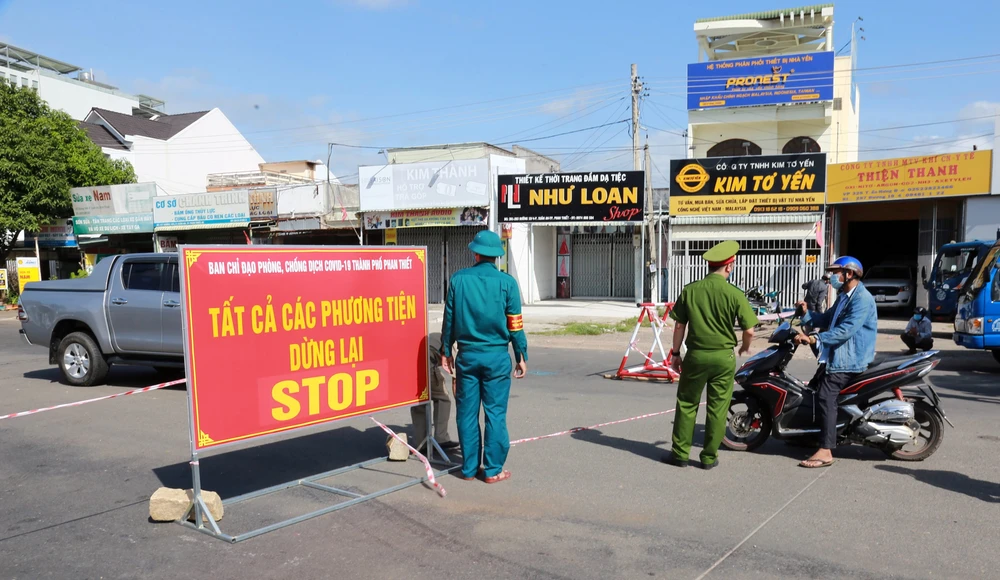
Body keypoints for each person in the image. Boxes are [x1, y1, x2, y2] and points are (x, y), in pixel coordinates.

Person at [441, 230, 528, 483]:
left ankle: (469, 469)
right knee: (495, 414)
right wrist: (521, 354)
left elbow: (449, 320)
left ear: (476, 254)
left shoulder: (458, 280)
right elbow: (515, 325)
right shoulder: (507, 283)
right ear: (497, 256)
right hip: (496, 358)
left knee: (466, 414)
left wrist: (446, 351)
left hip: (467, 357)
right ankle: (492, 470)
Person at [665, 240, 758, 470]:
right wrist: (744, 347)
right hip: (723, 358)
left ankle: (680, 455)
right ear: (729, 266)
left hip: (696, 356)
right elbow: (749, 330)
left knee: (687, 404)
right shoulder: (734, 293)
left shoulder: (690, 290)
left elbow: (679, 326)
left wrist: (675, 353)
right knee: (717, 408)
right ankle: (708, 458)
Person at [794, 256, 877, 468]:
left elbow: (845, 330)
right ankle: (812, 435)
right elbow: (826, 319)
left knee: (825, 396)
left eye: (835, 273)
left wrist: (815, 338)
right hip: (836, 357)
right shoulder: (844, 297)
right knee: (812, 391)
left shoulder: (861, 299)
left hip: (850, 360)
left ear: (849, 274)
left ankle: (826, 450)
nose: (832, 277)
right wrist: (806, 313)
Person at [411, 332, 461, 455]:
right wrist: (460, 404)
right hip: (426, 360)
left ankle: (421, 442)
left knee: (419, 401)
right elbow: (455, 381)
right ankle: (441, 438)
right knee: (443, 398)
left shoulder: (446, 337)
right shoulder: (455, 347)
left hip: (412, 360)